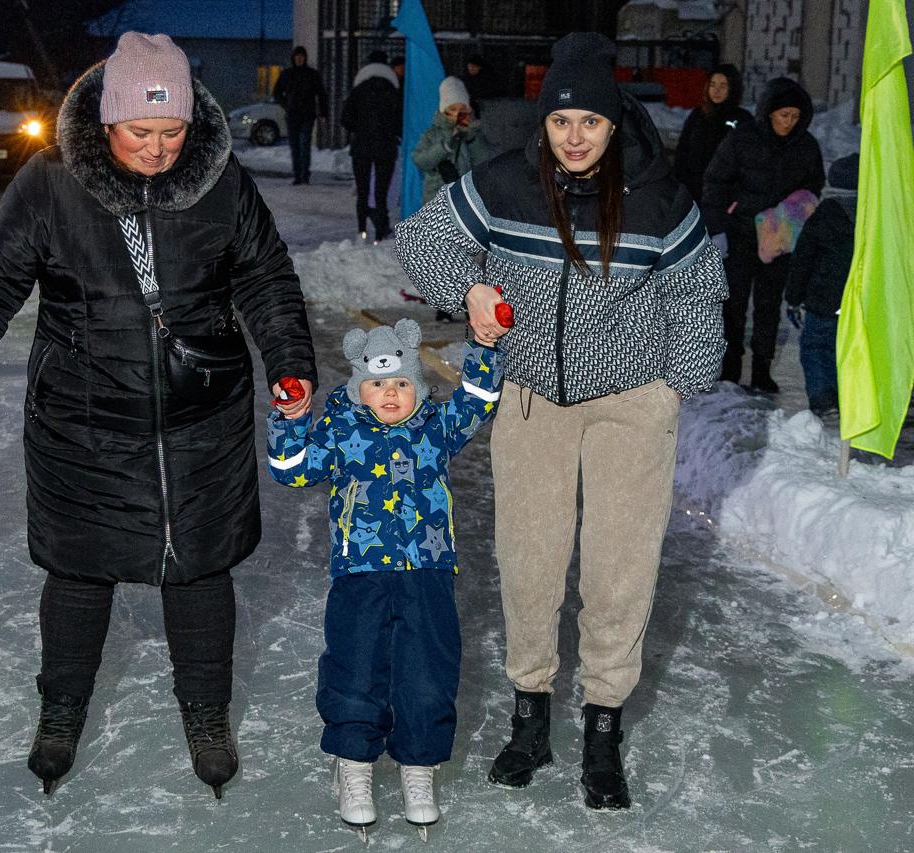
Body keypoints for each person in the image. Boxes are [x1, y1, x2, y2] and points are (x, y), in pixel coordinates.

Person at [0, 32, 317, 799]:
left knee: (199, 573)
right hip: (83, 422)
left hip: (202, 421)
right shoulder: (51, 184)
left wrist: (290, 363)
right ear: (106, 122)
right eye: (142, 132)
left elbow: (266, 275)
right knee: (78, 574)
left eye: (173, 132)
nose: (160, 149)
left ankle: (206, 712)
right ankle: (60, 708)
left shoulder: (223, 182)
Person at [393, 32, 727, 811]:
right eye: (560, 123)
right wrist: (468, 291)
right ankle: (531, 716)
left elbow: (696, 292)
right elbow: (424, 239)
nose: (574, 138)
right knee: (530, 559)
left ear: (614, 125)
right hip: (533, 398)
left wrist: (679, 384)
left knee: (620, 567)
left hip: (631, 405)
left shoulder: (657, 195)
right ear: (543, 125)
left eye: (591, 123)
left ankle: (603, 726)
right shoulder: (506, 182)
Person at [266, 320, 501, 840]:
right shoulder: (342, 430)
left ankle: (420, 766)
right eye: (377, 383)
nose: (389, 392)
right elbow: (290, 468)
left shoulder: (437, 427)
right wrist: (291, 418)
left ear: (417, 385)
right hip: (360, 573)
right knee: (355, 666)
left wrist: (483, 347)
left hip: (429, 571)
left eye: (401, 382)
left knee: (427, 669)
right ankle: (353, 764)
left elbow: (480, 398)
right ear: (358, 387)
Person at [702, 76, 824, 391]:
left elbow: (813, 187)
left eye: (796, 117)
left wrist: (792, 213)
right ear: (769, 112)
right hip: (740, 233)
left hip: (780, 241)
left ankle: (761, 369)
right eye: (784, 115)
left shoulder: (806, 146)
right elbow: (715, 182)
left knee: (769, 306)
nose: (789, 122)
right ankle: (730, 368)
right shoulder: (742, 140)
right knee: (734, 304)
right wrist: (719, 226)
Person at [786, 152, 858, 418]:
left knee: (816, 347)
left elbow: (803, 260)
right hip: (859, 302)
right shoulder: (876, 221)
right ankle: (848, 398)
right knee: (850, 351)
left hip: (824, 302)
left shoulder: (824, 217)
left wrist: (793, 298)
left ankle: (823, 398)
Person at [340, 51, 402, 243]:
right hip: (386, 147)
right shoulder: (394, 91)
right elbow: (400, 122)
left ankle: (361, 231)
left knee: (363, 191)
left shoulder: (358, 90)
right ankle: (380, 233)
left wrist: (361, 127)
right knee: (381, 193)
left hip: (361, 147)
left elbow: (346, 119)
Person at [672, 65, 752, 203]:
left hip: (725, 196)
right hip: (694, 191)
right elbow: (682, 151)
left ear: (732, 88)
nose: (717, 90)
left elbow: (749, 161)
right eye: (713, 85)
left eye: (723, 85)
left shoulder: (742, 119)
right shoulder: (698, 116)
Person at [411, 77, 491, 205]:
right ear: (444, 110)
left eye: (462, 110)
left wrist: (472, 138)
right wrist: (444, 147)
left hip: (465, 200)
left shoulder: (474, 133)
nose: (457, 115)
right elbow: (420, 160)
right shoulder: (433, 133)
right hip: (436, 200)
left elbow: (484, 162)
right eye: (452, 109)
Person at [272, 45, 327, 185]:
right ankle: (298, 175)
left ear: (305, 58)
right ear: (293, 58)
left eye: (302, 57)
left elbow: (321, 94)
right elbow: (277, 92)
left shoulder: (312, 74)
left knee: (304, 145)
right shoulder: (287, 74)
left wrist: (323, 112)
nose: (299, 59)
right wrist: (286, 104)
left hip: (307, 114)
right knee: (295, 146)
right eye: (297, 57)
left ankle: (304, 175)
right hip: (292, 115)